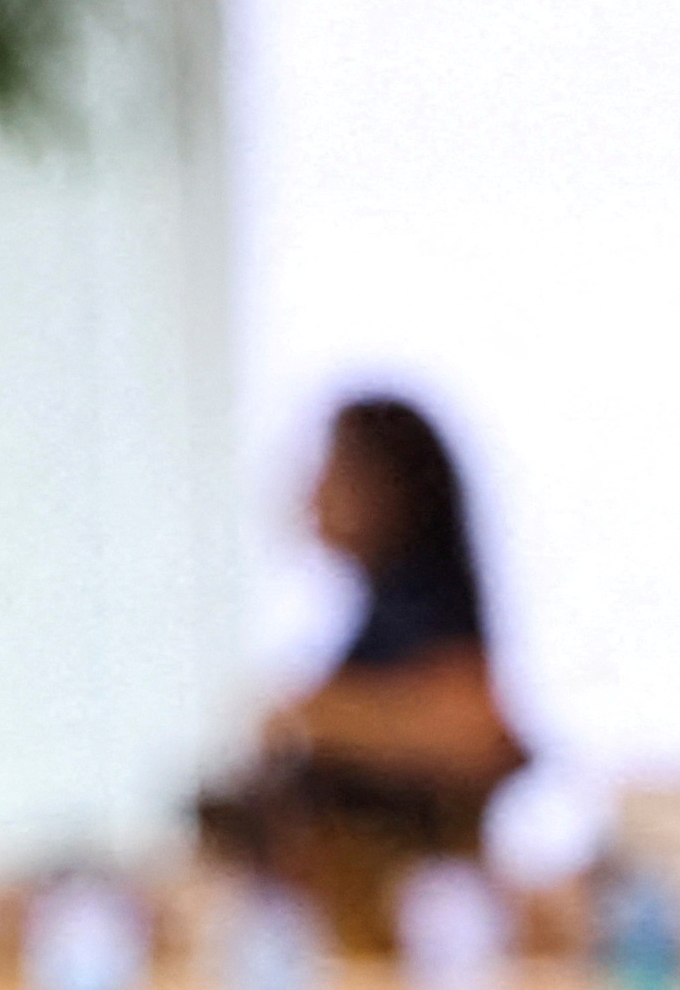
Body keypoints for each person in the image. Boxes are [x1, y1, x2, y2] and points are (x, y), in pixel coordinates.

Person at [205, 390, 530, 947]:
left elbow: (476, 733)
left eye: (331, 469)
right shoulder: (381, 611)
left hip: (410, 932)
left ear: (386, 488)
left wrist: (315, 714)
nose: (311, 491)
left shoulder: (427, 605)